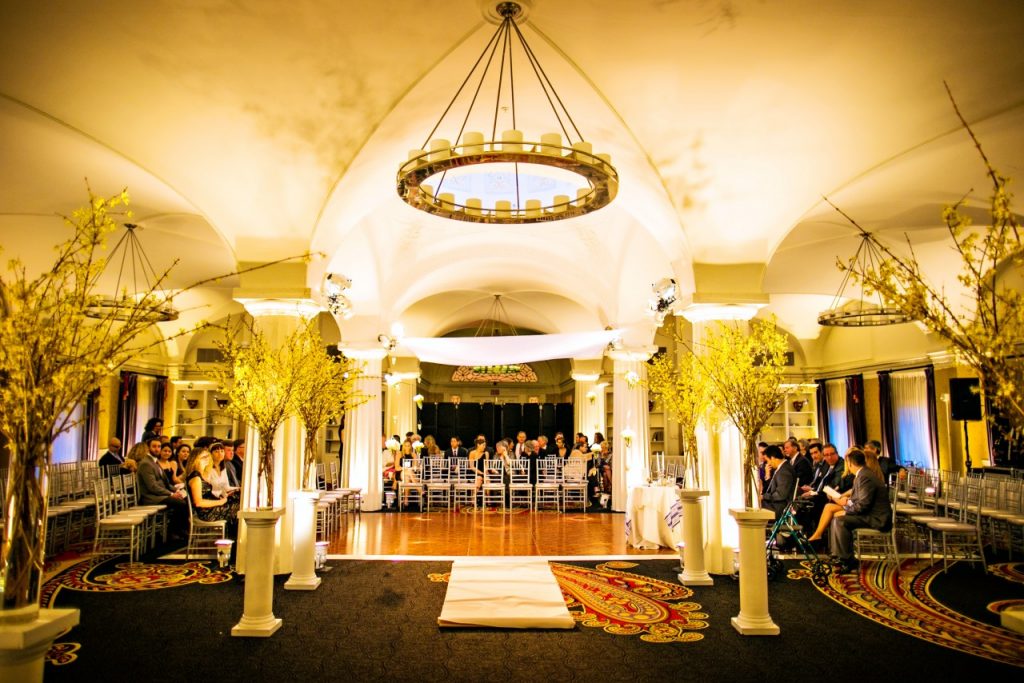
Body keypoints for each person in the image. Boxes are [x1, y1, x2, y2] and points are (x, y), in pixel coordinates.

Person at [829, 448, 893, 573]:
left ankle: (848, 561)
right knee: (837, 518)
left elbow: (863, 505)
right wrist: (846, 507)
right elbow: (859, 501)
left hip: (877, 518)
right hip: (870, 514)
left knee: (841, 520)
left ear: (850, 463)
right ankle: (838, 556)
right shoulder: (863, 474)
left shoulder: (865, 477)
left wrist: (846, 510)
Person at [136, 436, 189, 536]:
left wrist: (176, 490)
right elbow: (152, 487)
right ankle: (175, 530)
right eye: (154, 446)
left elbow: (165, 483)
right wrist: (171, 494)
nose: (157, 449)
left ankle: (181, 528)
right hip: (151, 497)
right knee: (181, 503)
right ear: (148, 448)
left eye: (159, 446)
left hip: (160, 494)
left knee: (186, 497)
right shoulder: (146, 463)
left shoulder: (154, 461)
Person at [185, 448, 239, 533]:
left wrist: (223, 498)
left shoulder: (201, 475)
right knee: (239, 507)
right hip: (206, 513)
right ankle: (236, 538)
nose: (207, 459)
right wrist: (220, 502)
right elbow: (198, 502)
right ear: (195, 459)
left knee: (238, 498)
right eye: (203, 457)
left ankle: (234, 537)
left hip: (210, 509)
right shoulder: (196, 477)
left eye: (208, 456)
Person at [760, 445, 795, 520]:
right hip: (777, 504)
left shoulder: (784, 471)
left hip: (779, 508)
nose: (768, 463)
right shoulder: (782, 468)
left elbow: (780, 495)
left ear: (772, 458)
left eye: (768, 460)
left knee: (755, 506)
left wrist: (764, 497)